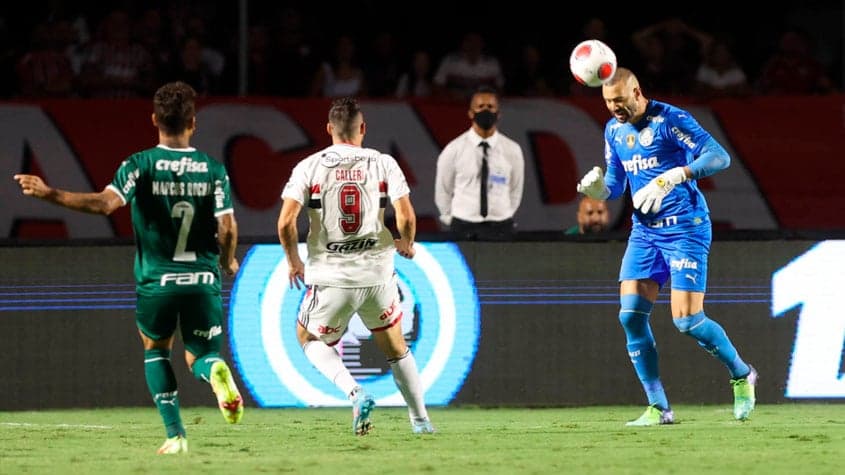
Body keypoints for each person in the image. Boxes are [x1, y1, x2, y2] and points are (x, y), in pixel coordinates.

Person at [13, 81, 244, 453]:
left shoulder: (139, 165)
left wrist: (49, 193)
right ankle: (214, 373)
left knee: (156, 349)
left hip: (158, 281)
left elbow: (105, 205)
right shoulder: (213, 169)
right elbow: (228, 226)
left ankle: (176, 436)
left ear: (154, 119)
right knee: (200, 355)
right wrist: (226, 259)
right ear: (193, 122)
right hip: (202, 279)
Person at [576, 67, 757, 426]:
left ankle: (741, 374)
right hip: (644, 234)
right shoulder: (614, 131)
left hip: (685, 229)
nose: (615, 108)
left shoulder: (671, 119)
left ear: (637, 92)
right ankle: (659, 407)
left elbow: (719, 156)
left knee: (687, 321)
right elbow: (616, 184)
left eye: (620, 100)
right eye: (609, 102)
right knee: (630, 316)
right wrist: (598, 190)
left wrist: (674, 175)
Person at [277, 97, 434, 436]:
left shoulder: (309, 166)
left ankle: (355, 392)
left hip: (331, 276)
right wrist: (406, 242)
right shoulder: (383, 163)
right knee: (396, 347)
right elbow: (405, 213)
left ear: (329, 130)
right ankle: (421, 421)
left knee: (307, 336)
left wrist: (294, 261)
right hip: (377, 274)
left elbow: (286, 222)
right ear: (362, 129)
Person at [435, 85, 524, 240]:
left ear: (498, 113)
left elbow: (515, 190)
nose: (485, 110)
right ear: (470, 113)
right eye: (480, 106)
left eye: (490, 106)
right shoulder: (454, 149)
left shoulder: (512, 150)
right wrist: (452, 219)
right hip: (463, 225)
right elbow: (443, 190)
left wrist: (505, 213)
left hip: (501, 226)